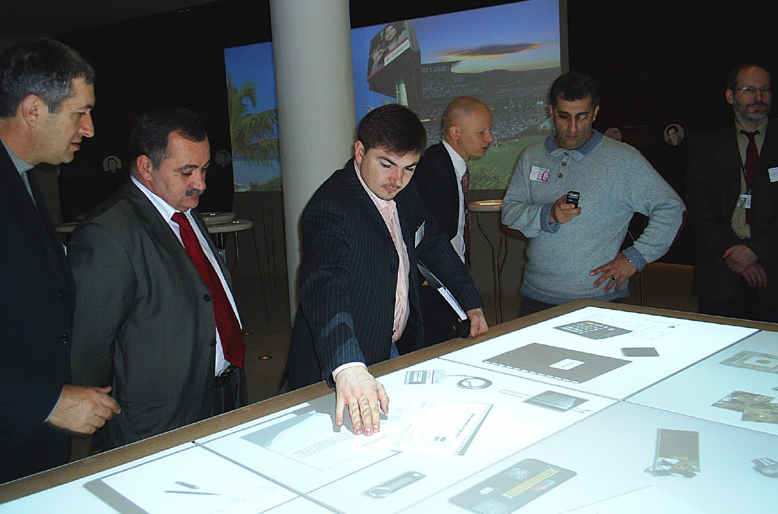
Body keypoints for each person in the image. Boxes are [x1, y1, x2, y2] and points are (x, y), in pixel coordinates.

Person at [286, 104, 488, 436]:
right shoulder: (331, 207)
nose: (397, 180)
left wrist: (470, 300)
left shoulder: (404, 194)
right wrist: (348, 366)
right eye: (386, 164)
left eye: (409, 168)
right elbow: (326, 287)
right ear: (360, 151)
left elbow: (433, 242)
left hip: (392, 349)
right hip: (342, 361)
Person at [0, 37, 120, 490]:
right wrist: (47, 402)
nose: (90, 129)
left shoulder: (18, 172)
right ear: (34, 110)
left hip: (22, 439)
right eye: (80, 113)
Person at [69, 107, 247, 449]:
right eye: (187, 172)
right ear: (145, 167)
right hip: (156, 424)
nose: (201, 184)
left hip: (222, 395)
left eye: (204, 169)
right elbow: (90, 350)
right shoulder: (109, 233)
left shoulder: (185, 211)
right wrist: (117, 418)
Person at [502, 71, 685, 315]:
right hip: (536, 296)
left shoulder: (624, 159)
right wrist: (548, 215)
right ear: (551, 111)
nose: (573, 128)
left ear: (596, 112)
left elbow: (672, 209)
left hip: (601, 299)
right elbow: (509, 214)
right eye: (564, 117)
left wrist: (635, 257)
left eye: (582, 117)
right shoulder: (531, 156)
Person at [685, 64, 777, 322]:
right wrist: (733, 253)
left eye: (764, 90)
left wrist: (755, 251)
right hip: (720, 275)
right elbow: (699, 210)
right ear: (730, 95)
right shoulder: (706, 147)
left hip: (773, 274)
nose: (758, 97)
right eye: (749, 90)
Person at [412, 96, 494, 345]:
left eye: (489, 131)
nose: (490, 138)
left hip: (449, 281)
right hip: (434, 288)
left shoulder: (448, 165)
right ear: (455, 132)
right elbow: (421, 232)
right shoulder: (433, 169)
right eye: (481, 132)